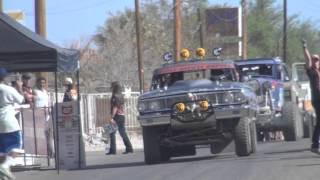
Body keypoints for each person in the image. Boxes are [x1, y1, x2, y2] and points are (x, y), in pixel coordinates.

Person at [0, 68, 24, 179]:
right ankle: (5, 166)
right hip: (8, 121)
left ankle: (3, 175)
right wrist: (19, 87)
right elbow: (21, 100)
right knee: (17, 148)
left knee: (2, 151)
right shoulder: (8, 89)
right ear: (3, 77)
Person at [302, 39, 320, 154]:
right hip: (317, 99)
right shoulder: (311, 71)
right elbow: (307, 58)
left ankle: (315, 144)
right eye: (313, 60)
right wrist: (305, 47)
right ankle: (315, 144)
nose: (315, 61)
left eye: (317, 59)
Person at [106, 81, 133, 155]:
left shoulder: (115, 96)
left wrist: (112, 117)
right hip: (122, 115)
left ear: (114, 88)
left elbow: (115, 107)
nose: (111, 89)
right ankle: (129, 148)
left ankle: (113, 150)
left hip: (117, 116)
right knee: (122, 132)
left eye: (112, 87)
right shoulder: (121, 95)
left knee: (112, 132)